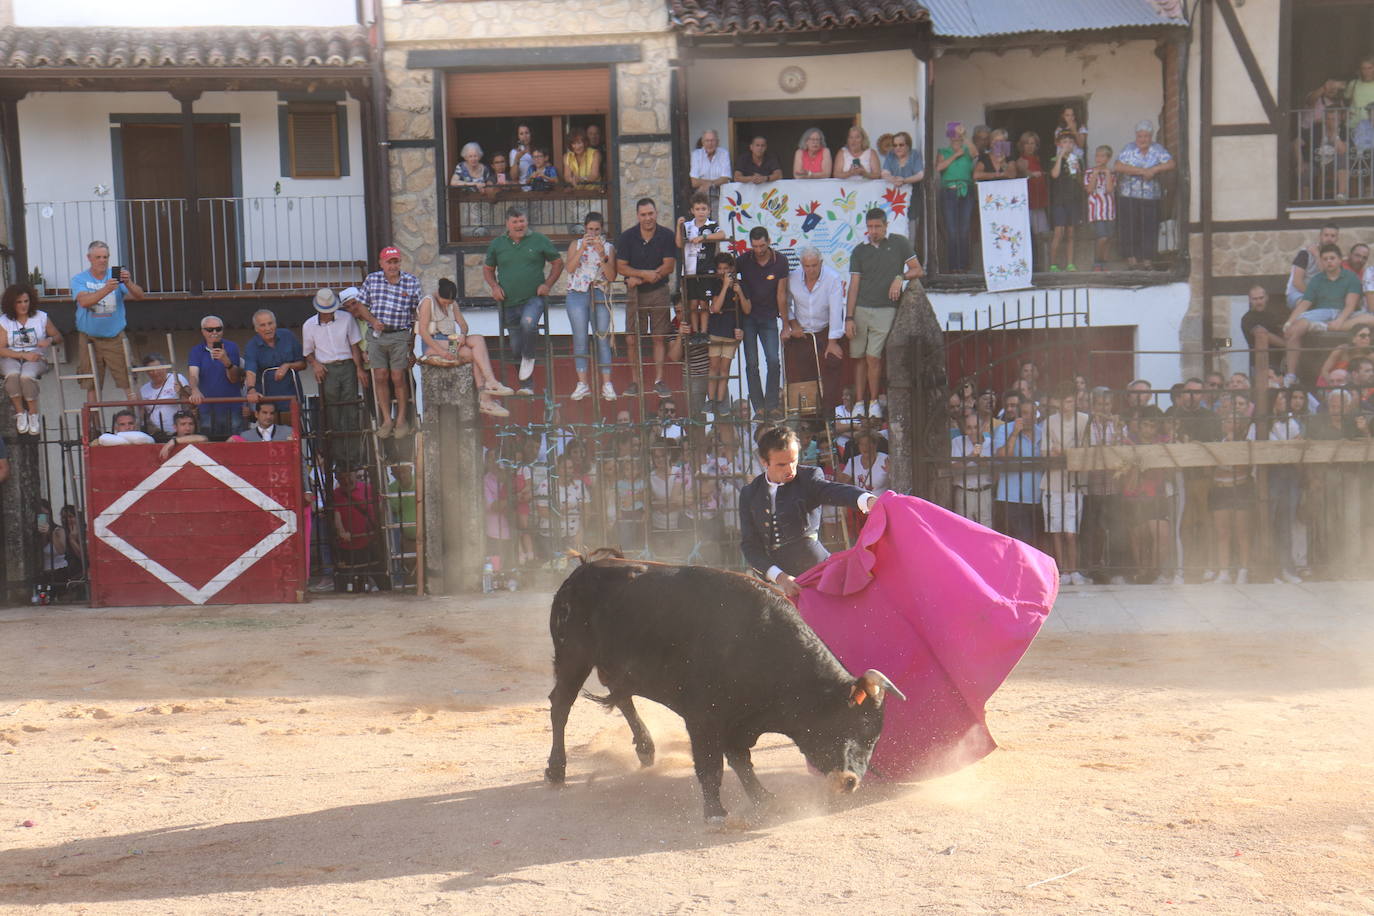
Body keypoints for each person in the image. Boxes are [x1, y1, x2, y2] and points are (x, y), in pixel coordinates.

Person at [739, 424, 877, 597]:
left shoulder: (808, 478)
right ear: (764, 462)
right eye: (781, 464)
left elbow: (834, 491)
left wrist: (867, 500)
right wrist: (780, 577)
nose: (790, 470)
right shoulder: (750, 493)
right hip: (775, 580)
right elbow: (750, 546)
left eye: (793, 461)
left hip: (815, 569)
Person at [846, 208, 922, 416]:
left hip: (886, 308)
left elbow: (918, 269)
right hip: (860, 308)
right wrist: (849, 317)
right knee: (859, 357)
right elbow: (853, 286)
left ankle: (873, 402)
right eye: (870, 227)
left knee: (873, 357)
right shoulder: (859, 250)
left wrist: (900, 277)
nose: (873, 231)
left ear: (886, 225)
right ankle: (860, 403)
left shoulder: (898, 243)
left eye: (877, 226)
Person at [485, 209, 564, 396]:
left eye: (522, 221)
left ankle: (529, 357)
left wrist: (548, 284)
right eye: (515, 222)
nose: (519, 225)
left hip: (533, 299)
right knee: (515, 348)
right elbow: (488, 269)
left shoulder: (539, 240)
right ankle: (526, 385)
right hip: (508, 302)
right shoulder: (497, 244)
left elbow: (558, 263)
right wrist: (494, 287)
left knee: (528, 324)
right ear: (507, 224)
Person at [415, 277, 513, 417]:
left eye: (449, 303)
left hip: (452, 342)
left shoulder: (452, 304)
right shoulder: (428, 302)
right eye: (444, 302)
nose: (446, 305)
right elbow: (424, 332)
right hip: (434, 344)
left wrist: (462, 334)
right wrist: (442, 352)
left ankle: (491, 381)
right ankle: (485, 397)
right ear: (438, 294)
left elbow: (463, 325)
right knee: (471, 354)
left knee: (478, 339)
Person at [352, 246, 422, 438]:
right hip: (377, 336)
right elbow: (360, 305)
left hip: (400, 334)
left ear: (400, 262)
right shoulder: (372, 280)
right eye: (389, 262)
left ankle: (401, 419)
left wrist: (413, 344)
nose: (393, 266)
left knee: (398, 377)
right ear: (381, 263)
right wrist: (373, 321)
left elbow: (416, 314)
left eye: (395, 262)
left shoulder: (411, 281)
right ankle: (386, 419)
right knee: (380, 376)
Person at [616, 198, 678, 399]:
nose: (648, 218)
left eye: (650, 213)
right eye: (643, 214)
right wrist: (645, 274)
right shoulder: (627, 237)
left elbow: (669, 265)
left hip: (659, 290)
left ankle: (659, 380)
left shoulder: (667, 235)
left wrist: (641, 278)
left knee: (659, 336)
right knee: (632, 338)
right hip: (634, 295)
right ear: (637, 216)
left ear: (656, 213)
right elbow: (620, 267)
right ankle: (635, 381)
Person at [71, 240, 146, 402]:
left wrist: (128, 282)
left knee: (129, 381)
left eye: (105, 257)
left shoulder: (116, 273)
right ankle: (94, 427)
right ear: (89, 258)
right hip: (89, 338)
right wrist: (106, 288)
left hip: (115, 337)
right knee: (91, 384)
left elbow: (140, 296)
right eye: (98, 257)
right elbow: (84, 302)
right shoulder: (79, 279)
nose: (102, 261)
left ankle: (139, 423)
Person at [302, 288, 368, 470]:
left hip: (347, 365)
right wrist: (315, 365)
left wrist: (359, 369)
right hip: (327, 368)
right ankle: (339, 460)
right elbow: (308, 352)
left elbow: (354, 346)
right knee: (332, 413)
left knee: (351, 410)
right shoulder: (309, 325)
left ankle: (353, 458)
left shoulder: (346, 319)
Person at [734, 226, 789, 418]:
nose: (759, 250)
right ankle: (758, 407)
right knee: (751, 363)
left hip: (769, 317)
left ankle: (772, 405)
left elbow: (782, 294)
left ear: (769, 241)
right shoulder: (743, 260)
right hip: (748, 317)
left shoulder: (780, 261)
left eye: (762, 245)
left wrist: (786, 324)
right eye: (755, 246)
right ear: (751, 245)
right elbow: (726, 274)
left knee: (774, 361)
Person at [785, 245, 847, 412]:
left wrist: (832, 342)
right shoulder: (793, 277)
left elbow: (836, 310)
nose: (811, 270)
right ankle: (809, 420)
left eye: (814, 265)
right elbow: (784, 303)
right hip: (802, 334)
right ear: (801, 264)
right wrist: (793, 323)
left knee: (831, 373)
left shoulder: (832, 278)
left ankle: (830, 416)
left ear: (821, 263)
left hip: (825, 331)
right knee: (803, 376)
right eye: (807, 266)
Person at [564, 212, 618, 402]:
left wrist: (601, 253)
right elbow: (569, 268)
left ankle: (607, 383)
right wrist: (583, 249)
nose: (593, 233)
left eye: (596, 229)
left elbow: (611, 276)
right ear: (584, 229)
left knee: (602, 336)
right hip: (577, 293)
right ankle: (582, 383)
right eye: (590, 229)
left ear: (601, 229)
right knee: (580, 338)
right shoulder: (575, 245)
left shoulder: (609, 248)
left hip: (599, 291)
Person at [1043, 385, 1090, 585]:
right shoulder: (1049, 422)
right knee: (1056, 530)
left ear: (1075, 401)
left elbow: (1086, 451)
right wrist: (1067, 453)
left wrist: (1063, 452)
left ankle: (1074, 570)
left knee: (1071, 531)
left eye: (1069, 401)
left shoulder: (1084, 420)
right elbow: (1045, 451)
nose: (1066, 406)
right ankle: (1061, 572)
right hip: (1053, 481)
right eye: (1062, 402)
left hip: (1075, 482)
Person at [1113, 120, 1175, 268]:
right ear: (1136, 136)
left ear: (1151, 136)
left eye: (1146, 136)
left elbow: (1171, 164)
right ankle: (1132, 258)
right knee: (1130, 226)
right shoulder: (1129, 148)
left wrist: (1154, 170)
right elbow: (1118, 166)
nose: (1143, 139)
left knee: (1149, 227)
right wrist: (1142, 171)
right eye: (1140, 136)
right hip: (1128, 194)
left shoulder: (1157, 149)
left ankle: (1148, 259)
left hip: (1151, 196)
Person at [0, 283, 59, 436]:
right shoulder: (4, 321)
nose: (23, 305)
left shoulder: (41, 317)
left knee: (26, 376)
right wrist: (23, 355)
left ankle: (33, 414)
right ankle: (20, 413)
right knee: (12, 374)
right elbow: (1, 348)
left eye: (26, 301)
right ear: (11, 304)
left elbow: (58, 336)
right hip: (13, 357)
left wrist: (48, 341)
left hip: (36, 357)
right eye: (19, 302)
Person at [993, 392, 1043, 545]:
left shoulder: (1042, 432)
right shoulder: (1004, 430)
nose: (1028, 417)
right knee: (1021, 540)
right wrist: (1015, 433)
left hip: (1037, 496)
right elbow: (1002, 455)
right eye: (1024, 414)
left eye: (1031, 414)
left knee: (1035, 541)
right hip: (1011, 496)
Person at [675, 193, 725, 343]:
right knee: (692, 303)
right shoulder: (687, 226)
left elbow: (722, 235)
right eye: (698, 209)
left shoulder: (712, 225)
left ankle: (704, 332)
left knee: (704, 303)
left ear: (709, 210)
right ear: (692, 211)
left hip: (706, 269)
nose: (701, 212)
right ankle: (695, 332)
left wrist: (704, 237)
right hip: (690, 270)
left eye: (704, 208)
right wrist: (678, 226)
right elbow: (678, 243)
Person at [332, 464, 390, 593]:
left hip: (370, 542)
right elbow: (336, 515)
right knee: (347, 581)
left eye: (349, 476)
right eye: (342, 478)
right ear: (337, 479)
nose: (346, 480)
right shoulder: (335, 494)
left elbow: (381, 509)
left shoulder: (368, 489)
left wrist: (379, 530)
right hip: (348, 546)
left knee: (381, 578)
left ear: (355, 475)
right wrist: (341, 532)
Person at [187, 314, 244, 440]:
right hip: (207, 408)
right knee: (209, 446)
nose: (214, 332)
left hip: (232, 407)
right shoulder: (196, 351)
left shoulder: (231, 347)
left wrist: (226, 362)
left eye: (218, 329)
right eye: (210, 329)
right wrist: (195, 390)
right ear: (203, 331)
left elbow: (234, 379)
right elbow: (193, 374)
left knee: (236, 445)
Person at [243, 309, 305, 420]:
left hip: (291, 398)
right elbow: (250, 370)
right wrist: (251, 390)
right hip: (267, 403)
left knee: (292, 434)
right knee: (271, 435)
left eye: (270, 323)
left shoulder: (288, 336)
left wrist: (287, 365)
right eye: (262, 325)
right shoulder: (251, 346)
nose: (268, 328)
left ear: (275, 323)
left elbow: (303, 364)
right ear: (256, 329)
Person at [705, 252, 746, 414]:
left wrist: (737, 289)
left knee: (725, 369)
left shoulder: (739, 285)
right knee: (713, 367)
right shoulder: (716, 284)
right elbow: (715, 308)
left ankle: (720, 401)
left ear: (732, 269)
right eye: (720, 268)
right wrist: (724, 286)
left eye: (726, 269)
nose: (723, 272)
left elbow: (745, 310)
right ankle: (711, 400)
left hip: (731, 332)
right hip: (715, 330)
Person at [936, 122, 976, 272]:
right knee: (952, 231)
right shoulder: (943, 151)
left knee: (965, 230)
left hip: (966, 191)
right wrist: (955, 155)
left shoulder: (967, 149)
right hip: (949, 193)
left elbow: (975, 153)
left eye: (958, 135)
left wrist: (965, 136)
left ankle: (965, 267)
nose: (956, 138)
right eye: (953, 135)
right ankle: (954, 268)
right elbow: (938, 167)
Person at [1047, 131, 1084, 272]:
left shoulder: (1077, 159)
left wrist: (1079, 171)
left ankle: (1070, 263)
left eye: (1070, 142)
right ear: (1059, 144)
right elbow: (1054, 174)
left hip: (1073, 200)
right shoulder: (1053, 160)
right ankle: (1053, 264)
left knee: (1070, 233)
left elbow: (1080, 182)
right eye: (1064, 142)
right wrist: (1060, 157)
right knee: (1059, 232)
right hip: (1059, 200)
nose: (1068, 145)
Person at [950, 411, 993, 528]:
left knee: (986, 528)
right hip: (964, 491)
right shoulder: (958, 442)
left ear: (983, 426)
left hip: (985, 491)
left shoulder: (991, 443)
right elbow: (954, 467)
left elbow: (995, 468)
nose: (973, 431)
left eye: (976, 427)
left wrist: (982, 461)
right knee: (963, 528)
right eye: (969, 428)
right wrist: (972, 456)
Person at [1240, 285, 1291, 382]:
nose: (1258, 302)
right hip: (1259, 364)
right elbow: (1263, 335)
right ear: (1250, 300)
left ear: (1266, 298)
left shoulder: (1272, 315)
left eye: (1261, 298)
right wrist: (1288, 345)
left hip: (1279, 362)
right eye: (1255, 299)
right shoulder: (1247, 319)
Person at [1286, 223, 1338, 309]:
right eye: (1326, 235)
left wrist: (1317, 256)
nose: (1329, 239)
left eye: (1333, 236)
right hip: (1298, 293)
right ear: (1320, 236)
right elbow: (1297, 282)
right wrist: (1314, 297)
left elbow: (1329, 277)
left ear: (1337, 239)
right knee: (1306, 303)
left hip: (1320, 296)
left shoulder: (1335, 257)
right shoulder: (1305, 254)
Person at [137, 353, 189, 438]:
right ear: (146, 372)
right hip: (156, 433)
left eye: (158, 369)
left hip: (178, 432)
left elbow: (190, 402)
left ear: (165, 367)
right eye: (150, 370)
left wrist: (181, 391)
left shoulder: (177, 378)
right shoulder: (144, 389)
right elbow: (142, 413)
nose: (155, 372)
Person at [1015, 132, 1048, 260]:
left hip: (1039, 201)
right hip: (1028, 203)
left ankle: (1043, 261)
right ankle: (1032, 262)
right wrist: (1031, 173)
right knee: (1028, 235)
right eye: (1026, 143)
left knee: (1042, 234)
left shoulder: (1038, 159)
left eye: (1032, 143)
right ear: (1022, 145)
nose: (1029, 146)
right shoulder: (1021, 160)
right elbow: (1023, 171)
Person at [1084, 144, 1116, 270]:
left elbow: (1109, 189)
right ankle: (1097, 262)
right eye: (1097, 155)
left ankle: (1104, 263)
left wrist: (1107, 173)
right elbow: (1089, 189)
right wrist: (1096, 173)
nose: (1099, 158)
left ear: (1108, 158)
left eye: (1102, 156)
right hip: (1096, 211)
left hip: (1109, 211)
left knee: (1108, 238)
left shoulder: (1111, 173)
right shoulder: (1089, 172)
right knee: (1102, 237)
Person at [689, 129, 732, 216]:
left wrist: (708, 184)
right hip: (701, 195)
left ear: (718, 142)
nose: (710, 143)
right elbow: (694, 182)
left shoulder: (724, 153)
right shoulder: (696, 154)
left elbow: (725, 178)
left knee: (718, 224)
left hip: (719, 194)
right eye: (707, 141)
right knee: (703, 225)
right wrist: (714, 182)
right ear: (702, 142)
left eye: (712, 140)